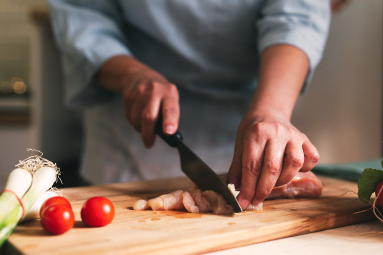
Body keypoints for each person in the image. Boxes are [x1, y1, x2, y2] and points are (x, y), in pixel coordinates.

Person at [47, 0, 330, 210]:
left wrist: (272, 109)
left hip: (243, 122)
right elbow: (83, 14)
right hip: (129, 148)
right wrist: (130, 75)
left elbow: (297, 15)